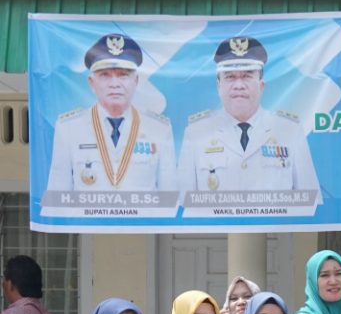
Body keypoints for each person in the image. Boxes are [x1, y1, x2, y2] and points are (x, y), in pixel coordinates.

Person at [177, 35, 320, 198]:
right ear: (218, 86)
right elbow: (183, 204)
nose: (239, 85)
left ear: (261, 85)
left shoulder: (289, 131)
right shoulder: (196, 133)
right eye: (230, 77)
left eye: (247, 76)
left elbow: (310, 201)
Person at [46, 32, 175, 193]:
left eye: (123, 75)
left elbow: (169, 197)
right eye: (105, 75)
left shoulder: (159, 129)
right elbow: (58, 196)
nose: (115, 84)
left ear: (136, 81)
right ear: (91, 83)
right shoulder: (69, 128)